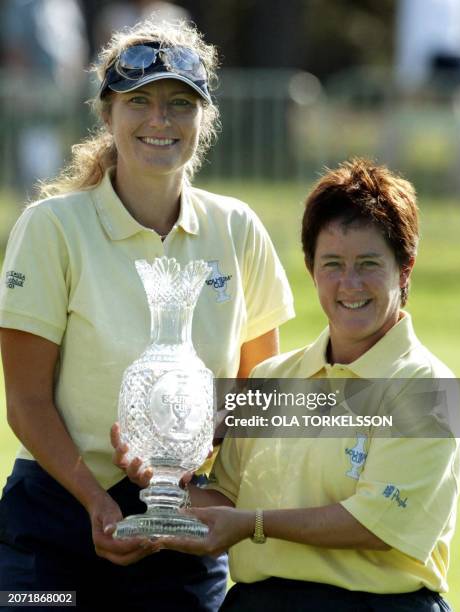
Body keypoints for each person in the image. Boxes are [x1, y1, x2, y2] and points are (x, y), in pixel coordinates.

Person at [0, 17, 294, 612]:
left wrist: (203, 466)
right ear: (107, 115)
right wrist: (96, 502)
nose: (160, 120)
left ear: (203, 122)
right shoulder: (52, 226)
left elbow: (258, 394)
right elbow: (26, 402)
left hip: (183, 524)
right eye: (140, 102)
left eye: (180, 104)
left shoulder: (236, 229)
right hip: (53, 518)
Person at [114, 159, 460, 611]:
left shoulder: (429, 387)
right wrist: (164, 482)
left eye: (369, 264)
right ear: (310, 268)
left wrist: (253, 525)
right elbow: (227, 497)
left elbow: (375, 525)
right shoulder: (270, 380)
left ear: (405, 268)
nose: (349, 283)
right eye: (332, 264)